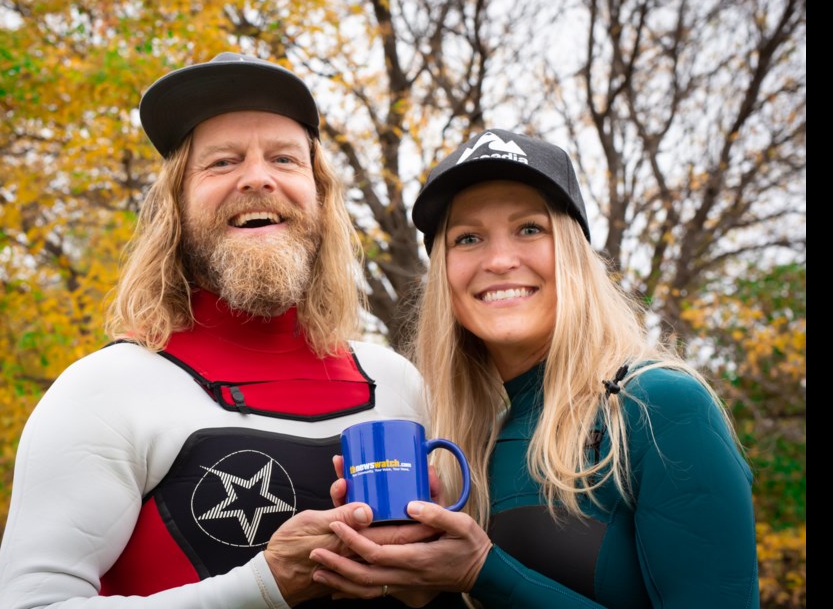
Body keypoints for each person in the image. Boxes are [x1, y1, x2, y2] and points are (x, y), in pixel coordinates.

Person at [0, 52, 458, 608]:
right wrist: (263, 588)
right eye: (221, 162)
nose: (257, 178)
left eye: (284, 159)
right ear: (175, 206)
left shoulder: (397, 382)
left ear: (321, 196)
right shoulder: (105, 390)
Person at [310, 128, 761, 607]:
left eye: (529, 228)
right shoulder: (467, 446)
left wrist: (483, 570)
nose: (500, 260)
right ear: (444, 274)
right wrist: (421, 580)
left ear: (572, 254)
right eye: (468, 238)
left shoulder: (660, 407)